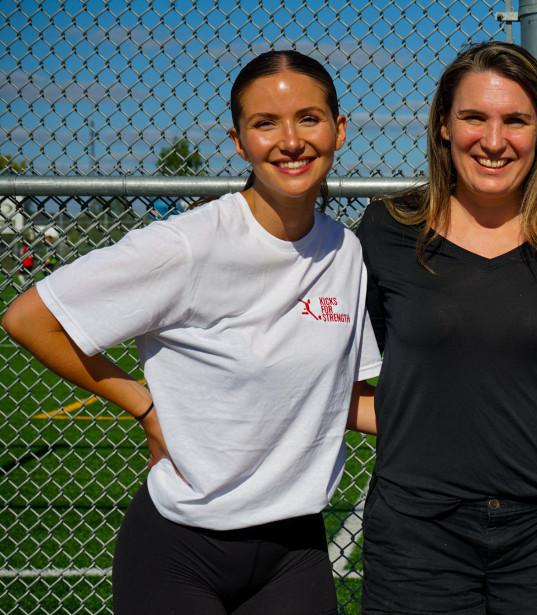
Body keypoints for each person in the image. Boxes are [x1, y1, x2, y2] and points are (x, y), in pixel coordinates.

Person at [2, 50, 381, 614]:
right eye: (264, 123)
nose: (290, 140)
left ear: (339, 129)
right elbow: (29, 317)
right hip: (181, 549)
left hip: (295, 548)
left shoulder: (345, 252)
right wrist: (145, 407)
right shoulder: (189, 244)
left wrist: (484, 421)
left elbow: (346, 400)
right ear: (238, 141)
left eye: (308, 118)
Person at [354, 41, 537, 614]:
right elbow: (341, 377)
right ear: (444, 125)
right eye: (474, 117)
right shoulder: (387, 229)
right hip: (417, 533)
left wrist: (517, 410)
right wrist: (426, 414)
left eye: (516, 120)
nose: (494, 141)